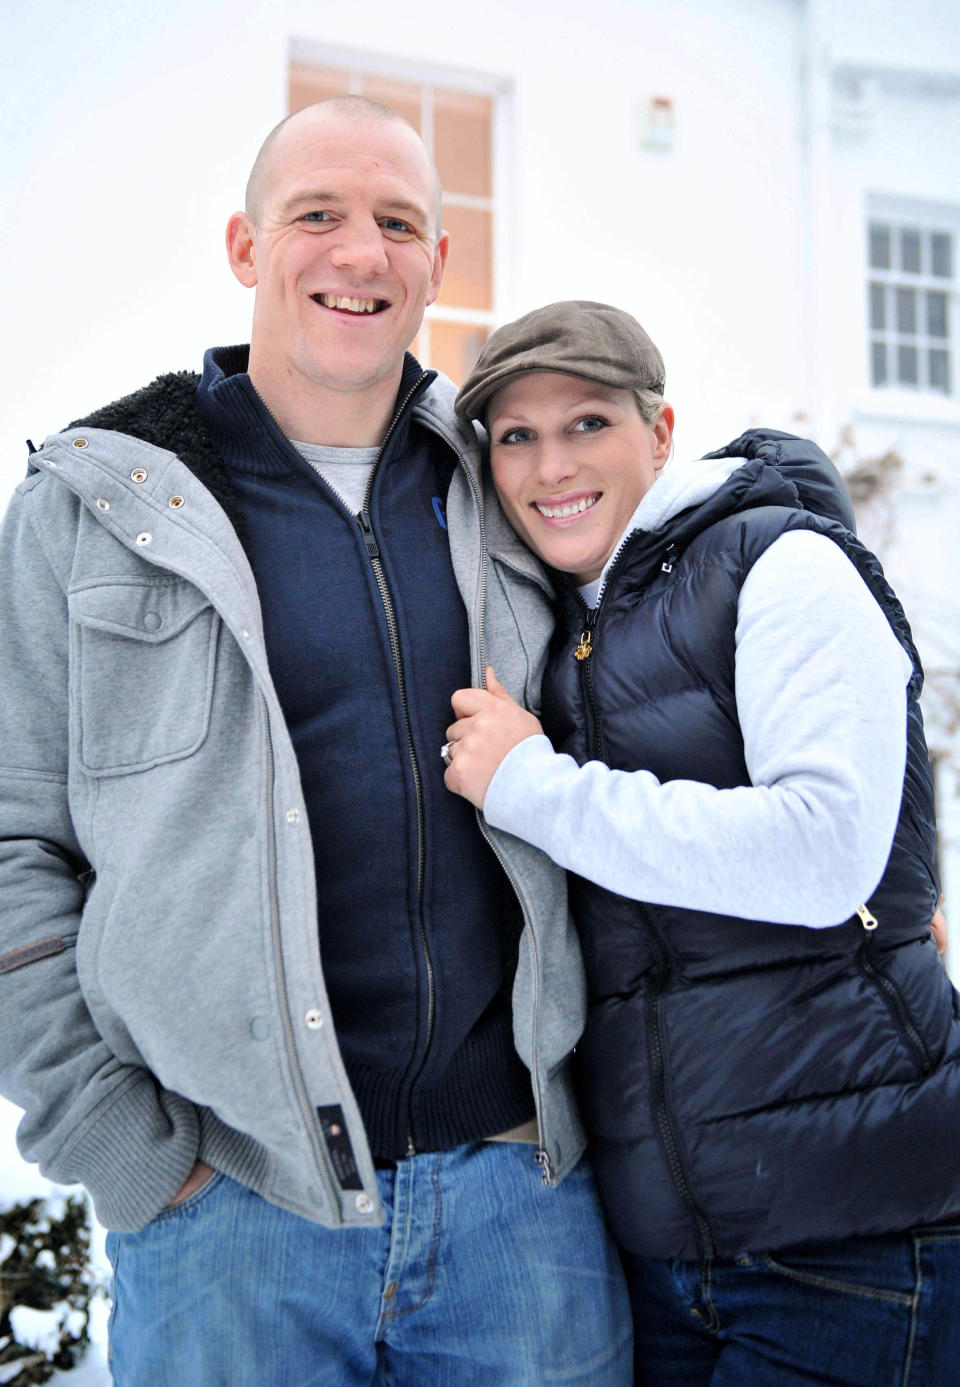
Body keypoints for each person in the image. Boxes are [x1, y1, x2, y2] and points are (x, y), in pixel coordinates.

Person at [0, 115, 631, 1385]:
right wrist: (135, 1151)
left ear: (440, 262)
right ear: (246, 244)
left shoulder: (511, 483)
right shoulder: (98, 510)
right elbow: (16, 846)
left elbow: (670, 683)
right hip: (234, 1212)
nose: (362, 250)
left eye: (399, 222)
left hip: (523, 1203)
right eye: (317, 213)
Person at [444, 299, 960, 1386]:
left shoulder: (781, 568)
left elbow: (823, 852)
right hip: (671, 1250)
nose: (550, 466)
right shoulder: (576, 623)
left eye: (587, 423)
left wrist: (534, 785)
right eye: (517, 437)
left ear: (663, 432)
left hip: (852, 1235)